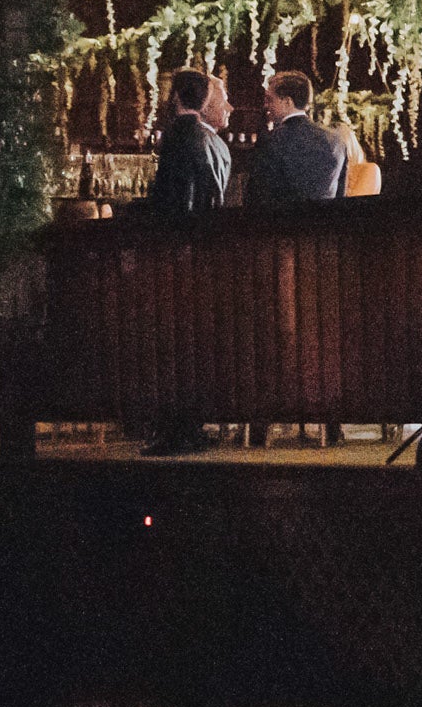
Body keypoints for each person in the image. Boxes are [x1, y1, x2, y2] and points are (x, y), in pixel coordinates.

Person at [137, 67, 228, 455]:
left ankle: (175, 429)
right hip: (207, 253)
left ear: (175, 98)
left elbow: (169, 199)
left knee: (169, 342)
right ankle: (191, 425)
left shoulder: (176, 137)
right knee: (194, 342)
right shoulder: (216, 143)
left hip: (175, 253)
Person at [243, 70, 348, 206]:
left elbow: (256, 195)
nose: (266, 105)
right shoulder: (336, 140)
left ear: (287, 102)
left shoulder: (272, 140)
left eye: (270, 99)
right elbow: (341, 194)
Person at [141, 68, 231, 217]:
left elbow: (172, 195)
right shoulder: (220, 144)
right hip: (211, 228)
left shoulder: (176, 134)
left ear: (176, 96)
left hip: (181, 229)